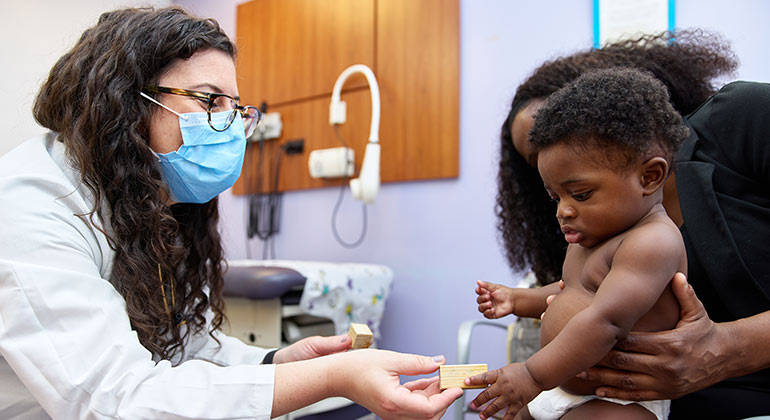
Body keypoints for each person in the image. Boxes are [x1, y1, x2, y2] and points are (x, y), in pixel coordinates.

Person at [0, 7, 462, 420]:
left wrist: (277, 363)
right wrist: (329, 378)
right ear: (126, 100)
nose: (230, 126)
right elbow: (113, 400)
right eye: (209, 100)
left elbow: (186, 345)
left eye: (234, 107)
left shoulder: (153, 203)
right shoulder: (32, 202)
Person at [487, 30, 770, 419]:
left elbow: (608, 319)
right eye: (545, 171)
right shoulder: (593, 227)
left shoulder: (745, 120)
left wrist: (727, 349)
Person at [468, 68, 688, 420]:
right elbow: (571, 291)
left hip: (618, 401)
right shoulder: (592, 236)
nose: (563, 211)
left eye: (581, 194)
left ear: (649, 177)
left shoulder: (653, 242)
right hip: (562, 388)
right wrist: (518, 299)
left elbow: (607, 321)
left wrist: (531, 374)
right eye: (556, 197)